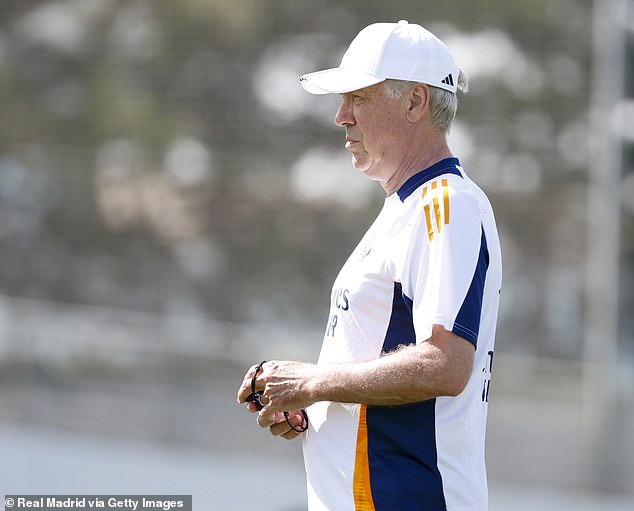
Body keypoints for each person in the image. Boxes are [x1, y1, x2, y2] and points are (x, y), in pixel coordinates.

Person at [237, 20, 502, 511]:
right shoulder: (407, 208)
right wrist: (313, 404)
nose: (341, 116)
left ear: (415, 102)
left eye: (358, 96)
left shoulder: (445, 202)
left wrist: (312, 383)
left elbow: (445, 363)